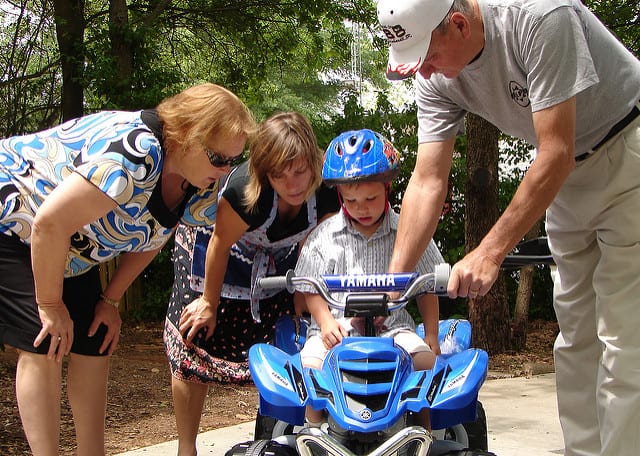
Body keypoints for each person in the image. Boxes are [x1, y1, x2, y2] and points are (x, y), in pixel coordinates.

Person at [376, 0, 640, 455]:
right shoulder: (436, 75)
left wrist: (489, 251)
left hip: (626, 151)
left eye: (429, 57)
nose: (424, 72)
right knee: (576, 337)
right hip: (562, 179)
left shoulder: (539, 18)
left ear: (458, 24)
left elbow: (554, 150)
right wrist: (393, 283)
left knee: (624, 339)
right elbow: (427, 180)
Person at [0, 82, 255, 456]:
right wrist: (51, 306)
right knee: (45, 340)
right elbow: (48, 224)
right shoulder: (133, 154)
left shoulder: (197, 181)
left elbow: (154, 236)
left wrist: (109, 300)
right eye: (218, 158)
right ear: (185, 135)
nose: (225, 169)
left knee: (94, 338)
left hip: (70, 244)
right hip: (15, 218)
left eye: (232, 159)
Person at [163, 111, 340, 456]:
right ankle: (186, 447)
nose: (293, 185)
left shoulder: (330, 185)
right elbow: (219, 242)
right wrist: (209, 303)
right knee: (195, 340)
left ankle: (273, 435)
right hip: (217, 253)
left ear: (313, 161)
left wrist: (305, 288)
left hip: (279, 260)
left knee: (288, 342)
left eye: (301, 171)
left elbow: (315, 241)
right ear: (264, 172)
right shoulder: (246, 191)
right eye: (280, 176)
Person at [295, 129, 443, 428]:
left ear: (387, 189)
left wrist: (431, 334)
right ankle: (311, 433)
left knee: (427, 366)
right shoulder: (324, 237)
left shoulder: (409, 232)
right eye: (350, 200)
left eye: (370, 198)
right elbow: (308, 287)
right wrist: (324, 322)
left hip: (393, 331)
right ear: (339, 195)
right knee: (309, 367)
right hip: (337, 331)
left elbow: (428, 285)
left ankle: (425, 433)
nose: (361, 207)